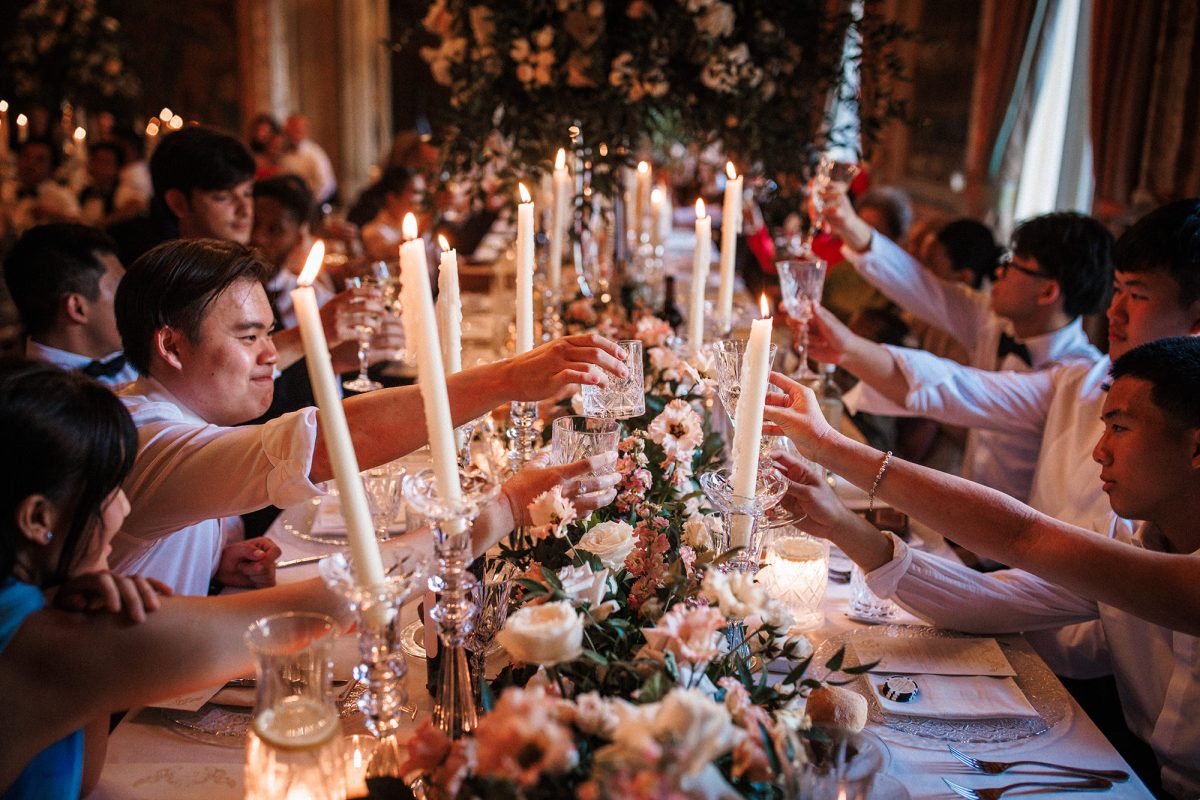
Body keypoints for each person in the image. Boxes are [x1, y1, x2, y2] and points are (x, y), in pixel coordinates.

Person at [0, 359, 613, 797]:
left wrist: (76, 593)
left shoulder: (38, 613)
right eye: (109, 492)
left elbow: (81, 777)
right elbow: (323, 608)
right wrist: (505, 508)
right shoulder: (44, 645)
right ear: (36, 519)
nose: (123, 511)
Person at [764, 336, 1200, 796]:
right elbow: (990, 601)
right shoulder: (1128, 541)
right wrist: (841, 525)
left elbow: (1022, 535)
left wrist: (830, 445)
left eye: (1121, 428)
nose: (1099, 451)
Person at [110, 238, 627, 595]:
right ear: (171, 347)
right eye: (249, 337)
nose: (271, 354)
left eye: (269, 332)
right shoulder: (142, 440)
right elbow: (331, 440)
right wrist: (506, 380)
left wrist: (211, 563)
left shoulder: (178, 418)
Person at [819, 182, 1113, 503]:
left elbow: (955, 387)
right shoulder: (994, 322)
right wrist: (849, 223)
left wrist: (847, 346)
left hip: (1015, 530)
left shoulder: (1078, 377)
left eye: (1012, 265)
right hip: (965, 507)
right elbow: (921, 286)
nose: (998, 272)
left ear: (1047, 292)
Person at [3, 224, 137, 387]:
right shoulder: (28, 395)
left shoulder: (146, 357)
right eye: (122, 290)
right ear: (77, 308)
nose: (135, 301)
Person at [1, 139, 80, 234]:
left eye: (40, 160)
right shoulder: (7, 191)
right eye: (25, 156)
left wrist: (52, 214)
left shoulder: (61, 196)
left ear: (52, 168)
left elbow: (79, 228)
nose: (30, 164)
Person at [361, 166, 428, 261]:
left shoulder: (427, 225)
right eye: (416, 192)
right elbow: (391, 253)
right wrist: (423, 228)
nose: (421, 199)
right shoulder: (372, 232)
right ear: (392, 197)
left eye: (423, 193)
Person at [278, 114, 337, 205]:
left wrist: (311, 204)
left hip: (312, 203)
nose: (294, 135)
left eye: (297, 131)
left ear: (305, 132)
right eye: (290, 131)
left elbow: (326, 185)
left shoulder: (314, 154)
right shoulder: (281, 153)